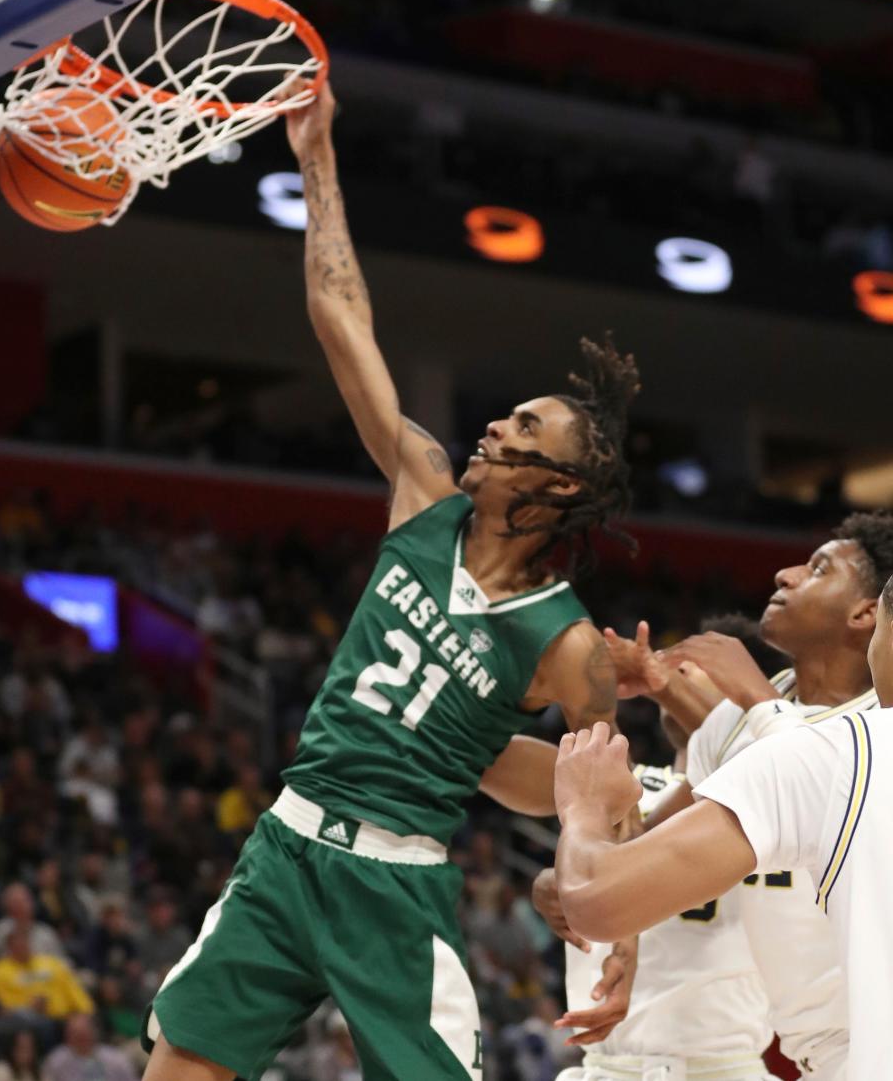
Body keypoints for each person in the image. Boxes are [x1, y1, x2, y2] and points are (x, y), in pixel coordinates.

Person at [141, 80, 641, 1081]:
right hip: (285, 848)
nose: (495, 425)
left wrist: (623, 936)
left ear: (558, 485)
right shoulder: (422, 490)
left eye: (524, 428)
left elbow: (599, 803)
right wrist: (317, 157)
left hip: (395, 881)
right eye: (507, 414)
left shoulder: (570, 645)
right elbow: (339, 316)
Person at [552, 570, 893, 1081]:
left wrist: (583, 808)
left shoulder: (841, 753)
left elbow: (595, 896)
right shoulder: (805, 757)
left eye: (821, 567)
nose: (789, 573)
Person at [544, 708, 775, 1081]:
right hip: (609, 1067)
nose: (683, 665)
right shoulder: (613, 779)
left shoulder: (771, 783)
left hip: (728, 1064)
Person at [0, 929, 94, 1023]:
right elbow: (4, 1004)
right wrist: (29, 1007)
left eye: (25, 943)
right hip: (29, 1020)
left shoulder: (51, 963)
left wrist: (85, 1011)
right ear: (9, 948)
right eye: (17, 945)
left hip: (67, 1017)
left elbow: (72, 988)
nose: (23, 947)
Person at [41, 1015, 138, 1081]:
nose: (81, 1040)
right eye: (76, 1035)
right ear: (67, 1036)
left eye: (84, 1035)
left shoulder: (116, 1059)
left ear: (94, 1033)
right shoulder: (56, 1061)